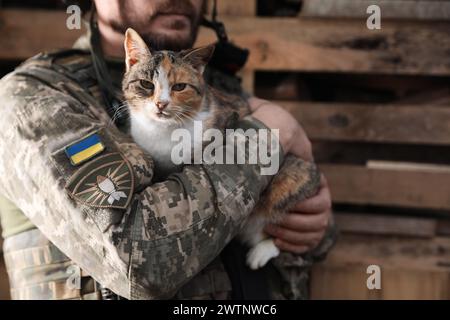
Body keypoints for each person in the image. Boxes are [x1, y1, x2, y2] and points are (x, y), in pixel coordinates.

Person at [0, 0, 336, 300]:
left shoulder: (219, 87)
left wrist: (314, 227)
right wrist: (268, 136)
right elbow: (140, 264)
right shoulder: (35, 98)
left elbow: (303, 231)